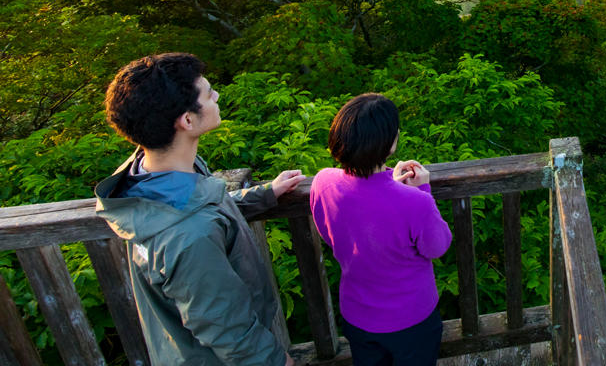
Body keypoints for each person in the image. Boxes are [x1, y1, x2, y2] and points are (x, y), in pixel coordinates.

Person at [94, 53, 304, 366]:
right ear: (187, 120)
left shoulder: (151, 177)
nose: (216, 95)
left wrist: (263, 195)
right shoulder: (188, 235)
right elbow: (228, 331)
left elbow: (203, 205)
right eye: (208, 93)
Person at [310, 93, 452, 366]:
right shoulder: (414, 200)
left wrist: (390, 182)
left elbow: (331, 234)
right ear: (390, 145)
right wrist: (421, 189)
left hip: (358, 317)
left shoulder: (322, 182)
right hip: (411, 321)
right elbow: (437, 247)